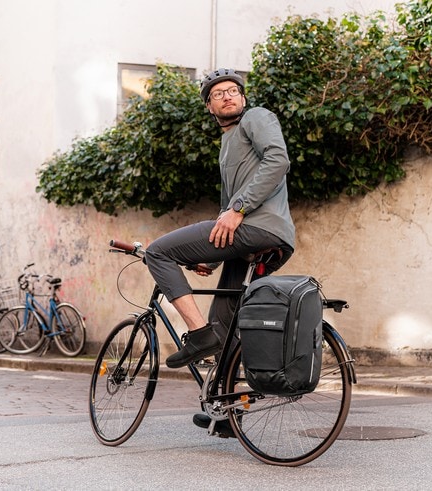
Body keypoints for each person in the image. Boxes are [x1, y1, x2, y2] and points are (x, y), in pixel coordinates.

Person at [142, 69, 296, 432]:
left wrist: (239, 208)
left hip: (259, 228)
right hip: (254, 241)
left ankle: (197, 334)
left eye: (233, 91)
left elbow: (278, 161)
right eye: (218, 94)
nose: (227, 96)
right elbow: (226, 214)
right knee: (226, 325)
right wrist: (210, 257)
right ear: (209, 107)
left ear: (243, 99)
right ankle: (231, 409)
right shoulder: (228, 145)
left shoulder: (257, 118)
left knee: (158, 253)